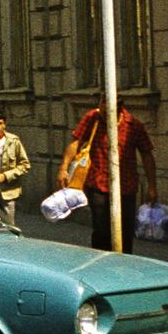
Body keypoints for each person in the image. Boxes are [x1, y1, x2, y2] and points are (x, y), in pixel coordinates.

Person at [58, 100, 158, 252]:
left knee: (125, 232)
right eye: (102, 107)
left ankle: (123, 264)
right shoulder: (93, 118)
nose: (103, 114)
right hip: (98, 184)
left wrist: (152, 186)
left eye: (107, 111)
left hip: (126, 186)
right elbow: (76, 143)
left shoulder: (133, 125)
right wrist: (63, 167)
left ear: (118, 108)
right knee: (101, 231)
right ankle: (100, 263)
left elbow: (146, 154)